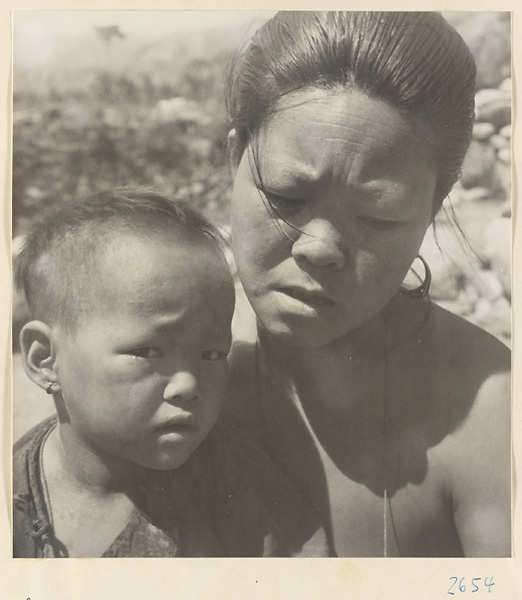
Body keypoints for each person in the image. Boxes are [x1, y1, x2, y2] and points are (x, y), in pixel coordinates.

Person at [224, 11, 511, 557]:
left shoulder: (491, 414)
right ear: (235, 158)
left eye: (378, 217)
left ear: (432, 209)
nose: (320, 247)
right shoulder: (175, 369)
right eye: (286, 197)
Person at [12, 188, 328, 558]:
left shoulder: (236, 488)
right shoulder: (15, 493)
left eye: (211, 354)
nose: (188, 385)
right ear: (45, 358)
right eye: (147, 352)